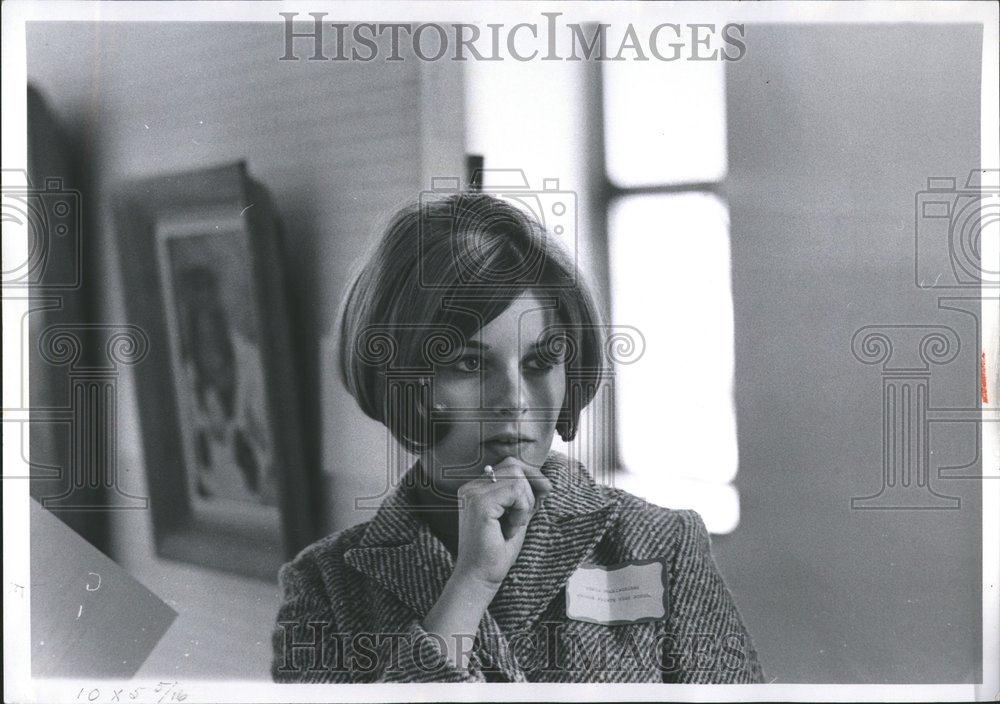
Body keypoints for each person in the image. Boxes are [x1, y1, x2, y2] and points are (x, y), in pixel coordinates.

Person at [271, 193, 763, 683]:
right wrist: (469, 584)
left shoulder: (660, 545)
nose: (514, 401)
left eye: (539, 363)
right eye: (468, 363)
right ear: (399, 379)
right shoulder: (324, 586)